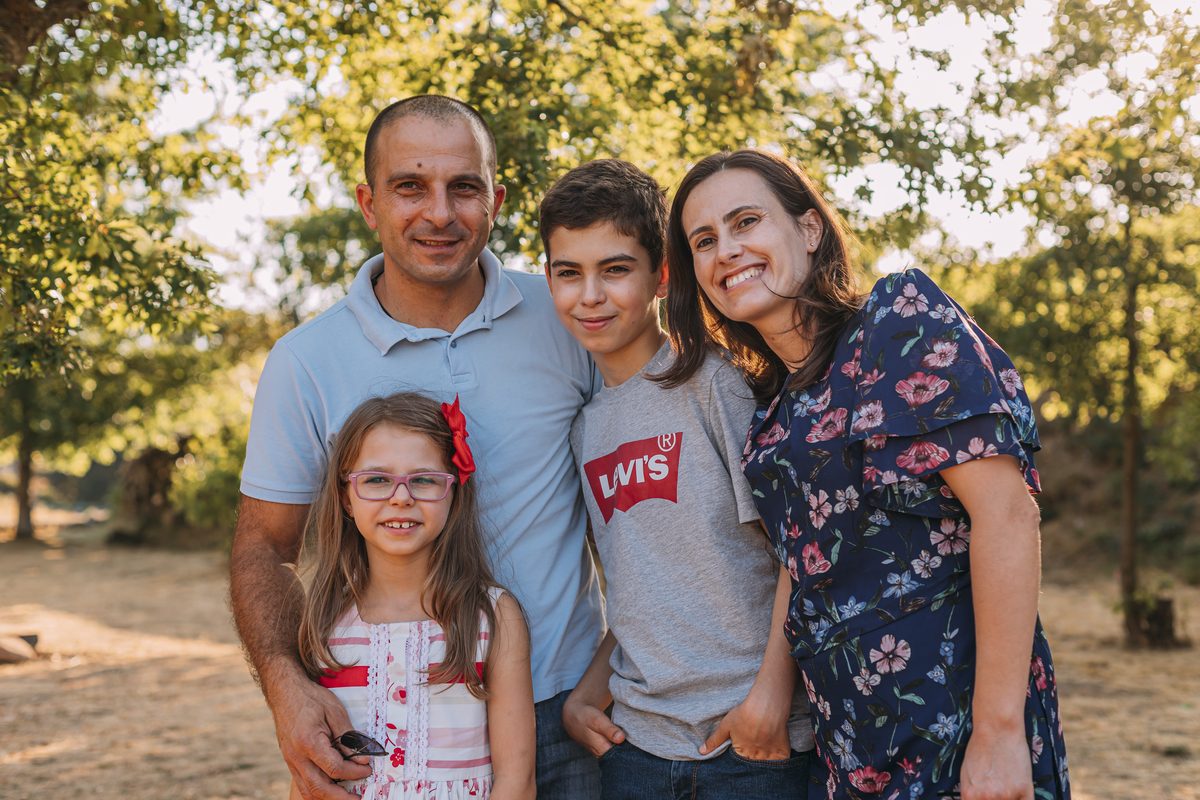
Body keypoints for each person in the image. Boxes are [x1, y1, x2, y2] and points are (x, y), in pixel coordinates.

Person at [658, 149, 1070, 800]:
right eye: (704, 240)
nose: (726, 250)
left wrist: (997, 733)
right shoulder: (773, 409)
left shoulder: (894, 322)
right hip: (847, 741)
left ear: (810, 229)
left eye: (746, 222)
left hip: (954, 719)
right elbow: (807, 559)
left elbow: (1008, 513)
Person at [230, 95, 605, 800]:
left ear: (496, 198)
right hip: (389, 723)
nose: (440, 213)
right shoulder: (305, 360)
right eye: (411, 187)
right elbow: (262, 546)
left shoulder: (570, 319)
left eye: (464, 187)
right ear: (370, 204)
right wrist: (286, 688)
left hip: (567, 715)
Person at [540, 159, 815, 799]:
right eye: (568, 273)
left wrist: (771, 700)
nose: (590, 295)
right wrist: (588, 694)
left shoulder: (714, 385)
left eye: (615, 269)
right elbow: (646, 590)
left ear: (662, 274)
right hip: (638, 751)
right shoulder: (585, 430)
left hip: (749, 745)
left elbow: (799, 554)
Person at [293, 392, 534, 799]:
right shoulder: (323, 621)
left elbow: (517, 782)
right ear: (345, 498)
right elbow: (307, 779)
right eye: (376, 480)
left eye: (423, 479)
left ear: (454, 492)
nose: (401, 497)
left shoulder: (490, 616)